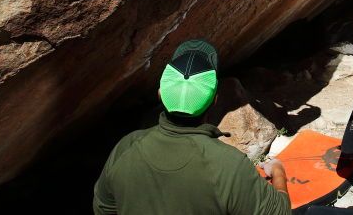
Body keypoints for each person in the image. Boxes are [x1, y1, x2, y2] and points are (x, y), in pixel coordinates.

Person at [93, 39, 291, 215]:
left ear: (161, 94)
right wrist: (278, 172)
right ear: (215, 100)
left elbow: (104, 208)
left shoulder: (126, 147)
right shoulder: (228, 164)